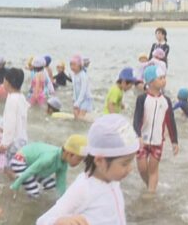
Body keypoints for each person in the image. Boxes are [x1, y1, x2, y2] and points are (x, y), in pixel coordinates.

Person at [36, 114, 140, 225]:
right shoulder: (83, 188)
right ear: (100, 161)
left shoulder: (112, 180)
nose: (130, 169)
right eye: (125, 164)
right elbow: (42, 221)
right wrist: (60, 222)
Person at [133, 64, 179, 194]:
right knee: (142, 168)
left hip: (158, 141)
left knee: (153, 169)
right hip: (142, 140)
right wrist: (138, 135)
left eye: (164, 77)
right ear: (151, 81)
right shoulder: (142, 99)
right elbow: (136, 119)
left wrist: (174, 141)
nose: (164, 80)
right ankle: (150, 186)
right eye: (160, 78)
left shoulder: (166, 101)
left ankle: (151, 193)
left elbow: (171, 122)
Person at [10, 135, 88, 197]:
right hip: (20, 161)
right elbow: (31, 170)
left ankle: (26, 184)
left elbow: (61, 185)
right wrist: (15, 185)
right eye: (79, 159)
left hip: (34, 167)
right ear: (69, 153)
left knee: (52, 186)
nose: (79, 162)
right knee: (34, 193)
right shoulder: (50, 158)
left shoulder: (63, 164)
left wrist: (63, 201)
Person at [0, 68, 29, 174]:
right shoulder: (21, 97)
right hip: (23, 139)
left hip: (14, 142)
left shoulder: (12, 99)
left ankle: (13, 189)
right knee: (19, 169)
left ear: (8, 82)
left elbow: (10, 123)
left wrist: (5, 142)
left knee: (8, 170)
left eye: (4, 80)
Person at [70, 55, 92, 120]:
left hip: (85, 99)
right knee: (76, 116)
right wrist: (74, 99)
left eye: (74, 65)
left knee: (81, 118)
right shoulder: (74, 75)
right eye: (71, 65)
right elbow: (74, 88)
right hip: (77, 98)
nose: (72, 67)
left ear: (80, 65)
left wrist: (78, 102)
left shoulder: (83, 76)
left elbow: (83, 91)